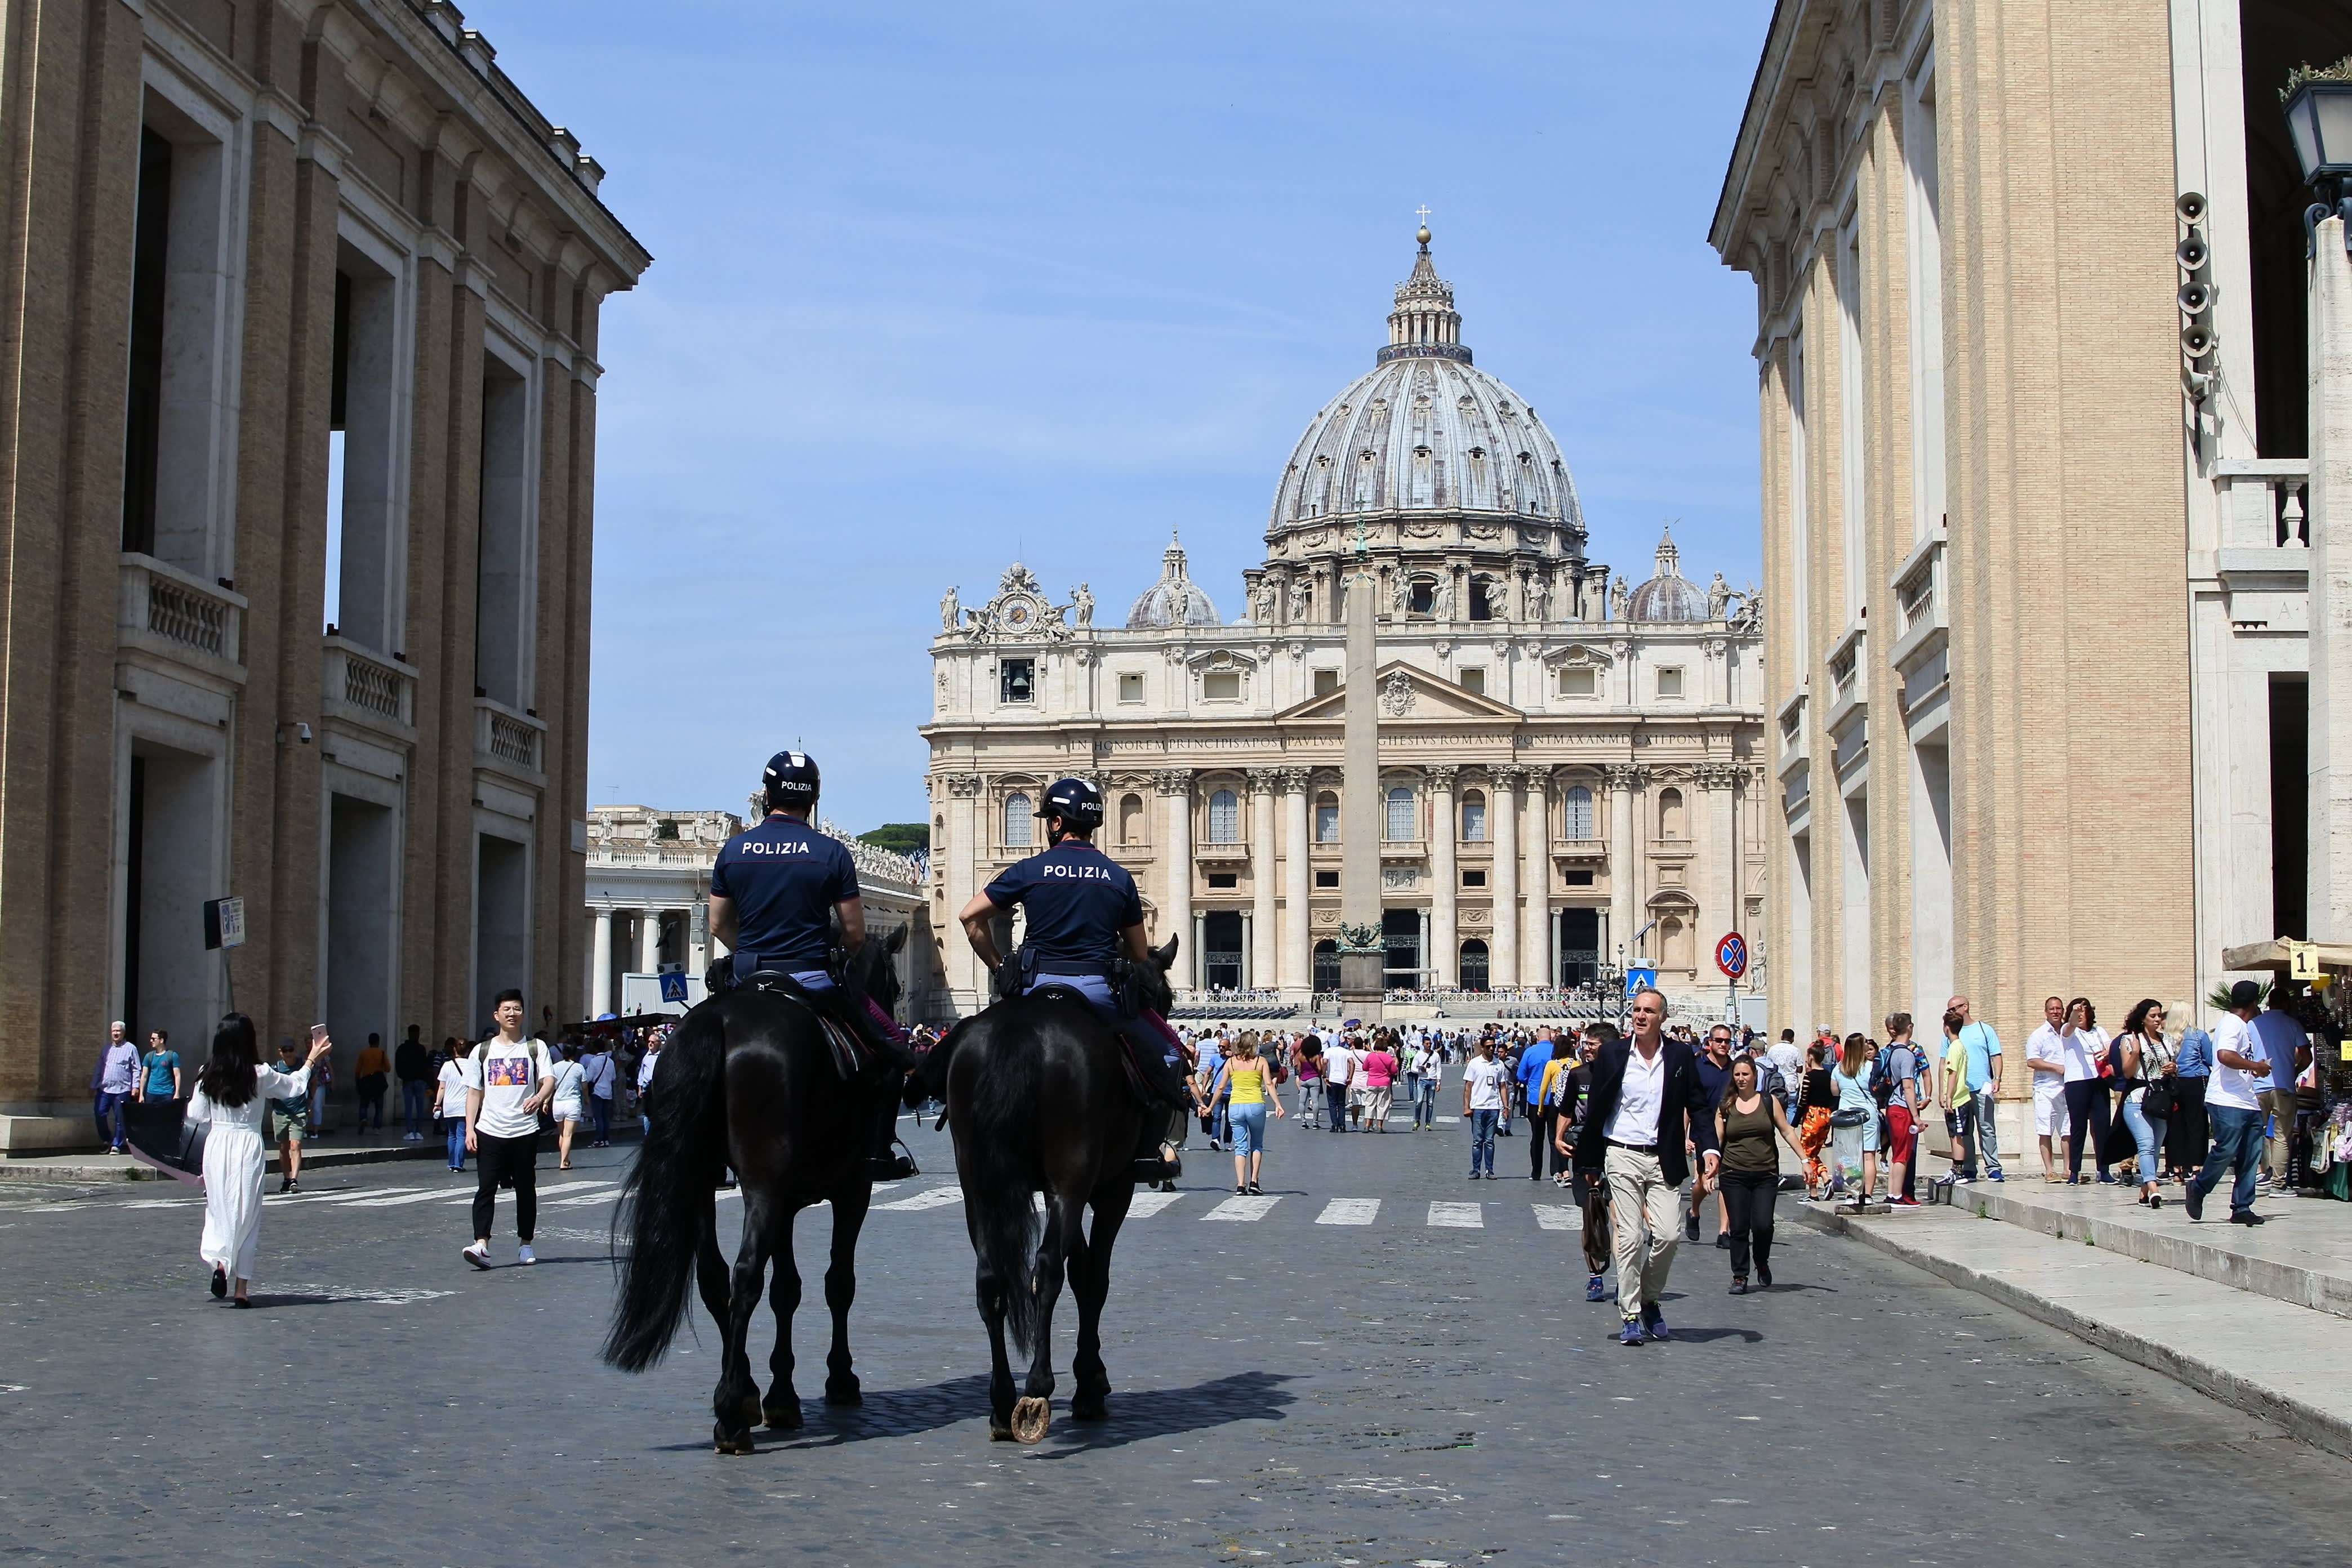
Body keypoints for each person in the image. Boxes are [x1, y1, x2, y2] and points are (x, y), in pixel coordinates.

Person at [955, 775, 1196, 1183]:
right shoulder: (1118, 878)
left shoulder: (1030, 870)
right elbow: (1140, 954)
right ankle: (1148, 1151)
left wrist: (999, 967)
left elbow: (968, 917)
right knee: (1169, 1058)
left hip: (1035, 988)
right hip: (1097, 992)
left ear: (1055, 823)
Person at [716, 748, 917, 1179]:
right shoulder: (829, 852)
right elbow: (856, 934)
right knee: (889, 1042)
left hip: (749, 974)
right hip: (809, 973)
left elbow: (718, 923)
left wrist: (749, 952)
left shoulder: (734, 850)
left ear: (767, 794)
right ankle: (876, 1151)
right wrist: (837, 955)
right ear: (814, 798)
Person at [1573, 987, 1721, 1346]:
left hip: (1663, 1156)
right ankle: (1630, 1312)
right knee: (1630, 1236)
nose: (1640, 1016)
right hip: (1621, 1153)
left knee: (1670, 1234)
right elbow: (1596, 1110)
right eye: (1636, 1009)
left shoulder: (1681, 1055)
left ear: (1663, 1018)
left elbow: (1698, 1106)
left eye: (1648, 1011)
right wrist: (1588, 1160)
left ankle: (1650, 1297)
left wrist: (1709, 1148)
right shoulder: (1612, 1054)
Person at [185, 1016, 332, 1306]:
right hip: (248, 1143)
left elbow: (195, 1115)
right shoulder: (260, 1073)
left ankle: (220, 1264)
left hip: (217, 1144)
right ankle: (241, 1290)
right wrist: (313, 1057)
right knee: (248, 1214)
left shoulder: (208, 1073)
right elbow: (295, 1087)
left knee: (218, 1209)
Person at [460, 988, 555, 1269]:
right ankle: (481, 1244)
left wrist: (539, 1097)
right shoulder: (482, 1051)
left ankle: (526, 1244)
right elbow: (474, 1092)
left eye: (517, 1009)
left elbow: (549, 1079)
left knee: (526, 1189)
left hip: (525, 1130)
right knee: (485, 1188)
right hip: (489, 1130)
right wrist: (469, 1129)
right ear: (496, 1015)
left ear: (523, 1013)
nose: (512, 1014)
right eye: (507, 1009)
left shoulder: (535, 1047)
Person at [1714, 1054, 1809, 1294]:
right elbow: (1717, 1140)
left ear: (1755, 1076)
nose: (1741, 1079)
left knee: (1763, 1225)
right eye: (1737, 1075)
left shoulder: (1768, 1101)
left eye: (1746, 1074)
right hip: (1733, 1172)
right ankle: (1740, 1275)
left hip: (1765, 1172)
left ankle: (1762, 1261)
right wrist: (1708, 1167)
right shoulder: (1726, 1105)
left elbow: (1786, 1131)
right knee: (1739, 1227)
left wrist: (1805, 1160)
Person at [2187, 980, 2270, 1225]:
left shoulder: (2242, 1027)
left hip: (2247, 1099)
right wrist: (2256, 1066)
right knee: (2227, 1149)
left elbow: (2236, 1059)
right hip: (2227, 1100)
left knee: (2251, 1155)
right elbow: (2224, 1056)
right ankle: (2199, 1187)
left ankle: (2242, 1206)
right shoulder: (2232, 1024)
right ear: (2254, 1003)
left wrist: (2254, 1070)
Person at [1551, 1030, 1614, 1302]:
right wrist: (1557, 1139)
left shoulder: (1623, 1074)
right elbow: (1566, 1111)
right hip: (1585, 1152)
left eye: (1592, 1045)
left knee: (1621, 1221)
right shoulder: (1579, 1075)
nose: (1586, 1048)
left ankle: (1625, 1278)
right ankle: (1595, 1277)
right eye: (1585, 1044)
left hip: (1616, 1152)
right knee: (1590, 1218)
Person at [2114, 999, 2174, 1208]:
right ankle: (2154, 1188)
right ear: (2143, 1019)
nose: (2158, 1020)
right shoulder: (2129, 1040)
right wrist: (2135, 1053)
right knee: (2146, 1144)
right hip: (2138, 1098)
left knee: (2156, 1148)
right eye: (2153, 1016)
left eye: (2159, 1016)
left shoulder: (2167, 1040)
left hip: (2161, 1098)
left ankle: (2143, 1193)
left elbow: (2176, 1068)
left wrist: (2173, 1068)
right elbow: (2128, 1072)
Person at [2252, 987, 2313, 1191]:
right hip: (2284, 1086)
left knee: (2253, 1133)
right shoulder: (2292, 1024)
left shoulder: (2253, 1024)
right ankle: (2278, 1184)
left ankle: (2249, 1178)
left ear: (2269, 1002)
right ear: (2287, 1004)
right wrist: (2295, 1071)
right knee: (2281, 1136)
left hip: (2257, 1086)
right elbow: (2307, 1057)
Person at [1209, 1033, 1284, 1195]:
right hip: (1255, 1104)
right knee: (1256, 1144)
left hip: (1236, 1106)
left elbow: (1221, 1087)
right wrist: (1278, 1104)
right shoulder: (1260, 1061)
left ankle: (1240, 1185)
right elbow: (1269, 1084)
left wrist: (1210, 1107)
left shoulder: (1231, 1062)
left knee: (1240, 1148)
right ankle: (1254, 1182)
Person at [1950, 995, 2007, 1182]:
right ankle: (1968, 1168)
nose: (1951, 1013)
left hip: (1982, 1086)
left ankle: (1993, 1167)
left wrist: (1997, 1078)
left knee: (1987, 1127)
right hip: (1961, 1090)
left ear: (1965, 1007)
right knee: (1965, 1130)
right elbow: (1945, 1062)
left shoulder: (1984, 1030)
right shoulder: (1951, 1032)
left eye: (1954, 1009)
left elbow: (1996, 1056)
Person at [1685, 1025, 1734, 1241]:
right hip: (1703, 1132)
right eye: (1719, 1041)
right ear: (1710, 1043)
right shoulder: (1697, 1066)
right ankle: (1694, 1210)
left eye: (1727, 1041)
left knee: (1727, 1181)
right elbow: (1688, 1105)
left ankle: (1724, 1231)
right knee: (1705, 1181)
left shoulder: (1735, 1069)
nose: (1723, 1045)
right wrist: (1684, 1136)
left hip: (1731, 1130)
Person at [2058, 997, 2113, 1183]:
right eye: (2077, 1011)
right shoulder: (2069, 1031)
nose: (2081, 1014)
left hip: (2099, 1080)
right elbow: (2070, 1025)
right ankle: (2074, 1171)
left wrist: (2107, 1053)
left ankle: (2104, 1169)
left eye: (2084, 1010)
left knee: (2102, 1126)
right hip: (2077, 1082)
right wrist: (2074, 1013)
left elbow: (2109, 1047)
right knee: (2078, 1127)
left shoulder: (2099, 1031)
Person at [1828, 1034, 1879, 1208]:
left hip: (1846, 1116)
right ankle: (1868, 1195)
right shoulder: (1871, 1067)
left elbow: (1835, 1092)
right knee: (1868, 1156)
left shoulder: (1838, 1069)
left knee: (1849, 1157)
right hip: (1868, 1114)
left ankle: (1850, 1193)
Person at [1881, 1014, 1926, 1206]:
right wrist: (1916, 1116)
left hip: (1892, 1106)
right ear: (1909, 1028)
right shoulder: (1906, 1054)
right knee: (1903, 1154)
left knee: (1897, 1152)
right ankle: (1897, 1195)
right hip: (1902, 1108)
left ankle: (1893, 1192)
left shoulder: (1889, 1051)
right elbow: (1908, 1085)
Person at [2024, 995, 2069, 1182]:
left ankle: (2069, 1169)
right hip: (2045, 1088)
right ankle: (2049, 1170)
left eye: (2059, 1008)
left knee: (2068, 1130)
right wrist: (2056, 1067)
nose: (2056, 1012)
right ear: (2046, 1012)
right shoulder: (2039, 1035)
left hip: (2066, 1088)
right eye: (2052, 1009)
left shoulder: (2069, 1033)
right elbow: (2032, 1061)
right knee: (2045, 1130)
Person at [2169, 1005, 2213, 1178]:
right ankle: (2196, 1167)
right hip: (2196, 1081)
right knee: (2197, 1124)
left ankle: (2177, 1169)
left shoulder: (2167, 1037)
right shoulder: (2199, 1035)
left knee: (2176, 1125)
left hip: (2174, 1081)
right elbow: (2210, 1059)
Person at [1939, 1009, 1979, 1183]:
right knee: (1954, 1134)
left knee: (1957, 1135)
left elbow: (1952, 1073)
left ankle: (1959, 1170)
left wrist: (1948, 1096)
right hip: (1957, 1098)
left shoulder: (1955, 1048)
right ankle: (1956, 1168)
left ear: (1947, 1028)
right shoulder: (1957, 1046)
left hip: (1958, 1099)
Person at [1514, 1027, 1558, 1177]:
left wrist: (1532, 1083)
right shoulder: (1556, 1051)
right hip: (1554, 1099)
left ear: (1538, 1038)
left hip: (1535, 1099)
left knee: (1537, 1137)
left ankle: (1536, 1171)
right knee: (1554, 1138)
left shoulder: (1530, 1052)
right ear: (1550, 1038)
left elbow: (1521, 1075)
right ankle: (1556, 1171)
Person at [268, 1038, 310, 1192]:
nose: (288, 1053)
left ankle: (294, 1179)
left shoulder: (302, 1066)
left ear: (295, 1050)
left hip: (298, 1112)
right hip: (281, 1112)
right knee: (283, 1147)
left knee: (296, 1145)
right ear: (280, 1052)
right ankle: (286, 1178)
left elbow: (313, 1082)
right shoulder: (276, 1068)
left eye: (290, 1050)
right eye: (285, 1050)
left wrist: (309, 1103)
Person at [1462, 1037, 1507, 1179]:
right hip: (1477, 1107)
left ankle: (1490, 1170)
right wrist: (1466, 1107)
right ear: (1482, 1048)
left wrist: (1506, 1107)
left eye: (1493, 1046)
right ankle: (1476, 1169)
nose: (1492, 1049)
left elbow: (1503, 1086)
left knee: (1490, 1141)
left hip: (1493, 1107)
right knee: (1477, 1141)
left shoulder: (1499, 1064)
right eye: (1488, 1047)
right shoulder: (1474, 1064)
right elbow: (1468, 1087)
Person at [1796, 1041, 1836, 1197]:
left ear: (1811, 1057)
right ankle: (1826, 1179)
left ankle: (1813, 1192)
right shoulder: (1829, 1075)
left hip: (1813, 1116)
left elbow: (1803, 1100)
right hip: (1826, 1116)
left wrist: (1794, 1122)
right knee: (1814, 1152)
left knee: (1805, 1154)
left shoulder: (1809, 1077)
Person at [91, 1022, 138, 1154]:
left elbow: (136, 1069)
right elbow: (99, 1068)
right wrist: (93, 1084)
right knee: (99, 1113)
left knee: (120, 1118)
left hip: (122, 1090)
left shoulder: (131, 1049)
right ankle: (106, 1139)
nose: (116, 1034)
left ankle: (117, 1145)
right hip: (105, 1089)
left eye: (118, 1031)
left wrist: (135, 1087)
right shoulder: (106, 1049)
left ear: (123, 1033)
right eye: (114, 1031)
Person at [549, 1042, 587, 1170]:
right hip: (572, 1103)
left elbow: (550, 1085)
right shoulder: (579, 1067)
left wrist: (545, 1101)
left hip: (558, 1103)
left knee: (562, 1134)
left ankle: (565, 1159)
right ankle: (563, 1162)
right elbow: (584, 1086)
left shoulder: (555, 1067)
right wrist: (586, 1099)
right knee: (568, 1134)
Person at [433, 1039, 469, 1170]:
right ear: (468, 1051)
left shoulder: (447, 1066)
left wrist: (437, 1104)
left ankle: (451, 1162)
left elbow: (442, 1088)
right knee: (461, 1135)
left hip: (449, 1105)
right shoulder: (472, 1065)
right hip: (464, 1106)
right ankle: (459, 1164)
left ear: (454, 1050)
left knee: (452, 1135)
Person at [395, 1026, 432, 1142]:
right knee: (419, 1107)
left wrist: (403, 1076)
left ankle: (411, 1131)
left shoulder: (402, 1049)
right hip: (419, 1081)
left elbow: (398, 1065)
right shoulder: (421, 1049)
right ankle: (419, 1131)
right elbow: (425, 1066)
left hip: (408, 1081)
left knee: (409, 1107)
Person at [1360, 1031, 1398, 1134]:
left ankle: (1367, 1125)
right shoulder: (1388, 1057)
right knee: (1382, 1105)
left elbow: (1365, 1068)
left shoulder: (1371, 1056)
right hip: (1384, 1083)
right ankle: (1380, 1126)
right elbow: (1394, 1071)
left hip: (1372, 1082)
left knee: (1370, 1104)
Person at [353, 1033, 390, 1135]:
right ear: (378, 1042)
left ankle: (363, 1118)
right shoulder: (382, 1053)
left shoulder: (364, 1053)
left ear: (369, 1042)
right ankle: (377, 1128)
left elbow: (358, 1070)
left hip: (366, 1082)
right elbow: (388, 1069)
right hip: (378, 1083)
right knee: (379, 1107)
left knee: (364, 1105)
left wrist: (357, 1082)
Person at [136, 1028, 181, 1107]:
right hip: (152, 1093)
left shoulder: (172, 1055)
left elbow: (177, 1075)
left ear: (161, 1040)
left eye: (154, 1039)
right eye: (151, 1039)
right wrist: (141, 1094)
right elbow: (144, 1076)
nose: (151, 1041)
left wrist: (177, 1092)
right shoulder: (149, 1056)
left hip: (167, 1093)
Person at [1322, 1032, 1356, 1135]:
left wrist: (1324, 1075)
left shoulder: (1328, 1051)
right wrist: (1350, 1077)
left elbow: (1324, 1062)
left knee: (1332, 1104)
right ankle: (1342, 1125)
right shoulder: (1345, 1051)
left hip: (1332, 1079)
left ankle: (1334, 1124)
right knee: (1341, 1104)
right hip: (1343, 1080)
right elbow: (1352, 1063)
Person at [1767, 1028, 1805, 1121]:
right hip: (1791, 1082)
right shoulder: (1795, 1051)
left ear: (1781, 1037)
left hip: (1776, 1083)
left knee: (1776, 1107)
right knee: (1792, 1107)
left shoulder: (1772, 1049)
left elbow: (1768, 1066)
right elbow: (1800, 1069)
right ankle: (1790, 1129)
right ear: (1792, 1039)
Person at [1409, 1033, 1440, 1130]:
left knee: (1430, 1103)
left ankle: (1428, 1123)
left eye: (1430, 1044)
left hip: (1432, 1080)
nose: (1429, 1045)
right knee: (1419, 1101)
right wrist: (1420, 1070)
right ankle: (1417, 1120)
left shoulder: (1436, 1055)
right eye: (1427, 1044)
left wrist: (1439, 1082)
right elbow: (1412, 1068)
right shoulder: (1419, 1055)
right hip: (1422, 1080)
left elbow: (1439, 1069)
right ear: (1423, 1044)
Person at [1292, 1034, 1324, 1128]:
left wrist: (1302, 1075)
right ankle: (1315, 1122)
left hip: (1304, 1079)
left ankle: (1303, 1121)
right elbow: (1319, 1068)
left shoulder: (1301, 1056)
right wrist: (1319, 1075)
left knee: (1302, 1102)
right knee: (1315, 1102)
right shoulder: (1316, 1056)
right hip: (1314, 1078)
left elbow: (1299, 1069)